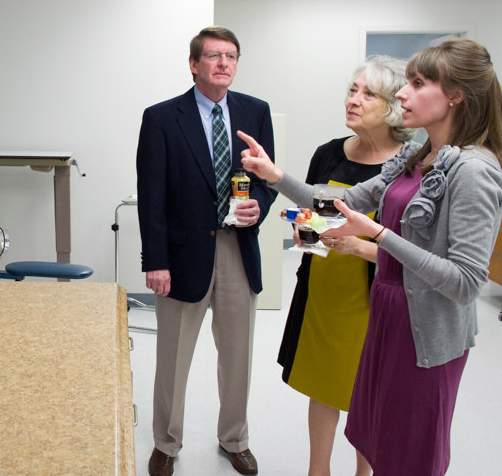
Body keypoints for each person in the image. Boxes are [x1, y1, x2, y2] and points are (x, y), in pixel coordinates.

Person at [239, 38, 502, 476]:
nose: (403, 93)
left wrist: (379, 236)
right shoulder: (416, 155)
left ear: (456, 95)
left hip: (426, 334)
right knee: (376, 438)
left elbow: (466, 281)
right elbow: (338, 204)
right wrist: (274, 174)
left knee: (408, 452)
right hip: (385, 314)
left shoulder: (475, 170)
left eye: (418, 84)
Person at [136, 26, 277, 476]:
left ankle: (235, 438)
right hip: (180, 257)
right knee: (173, 357)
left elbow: (266, 179)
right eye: (214, 56)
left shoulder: (256, 112)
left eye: (231, 56)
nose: (224, 64)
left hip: (239, 248)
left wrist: (261, 204)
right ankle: (166, 443)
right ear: (194, 64)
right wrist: (154, 260)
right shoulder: (161, 117)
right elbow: (151, 194)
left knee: (237, 354)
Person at [278, 56, 416, 476]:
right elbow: (314, 216)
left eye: (367, 93)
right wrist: (307, 229)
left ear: (393, 105)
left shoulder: (411, 165)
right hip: (323, 290)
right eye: (352, 90)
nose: (353, 100)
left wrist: (359, 246)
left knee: (369, 394)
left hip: (375, 296)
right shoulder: (328, 154)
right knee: (321, 388)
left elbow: (413, 252)